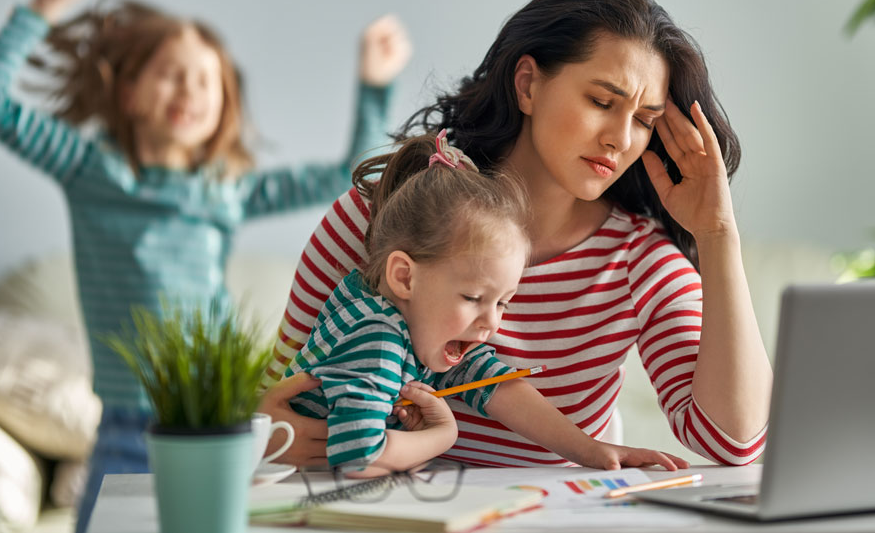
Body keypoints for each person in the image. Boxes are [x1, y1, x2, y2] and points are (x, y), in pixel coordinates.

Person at [258, 0, 772, 469]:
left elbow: (733, 443)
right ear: (527, 85)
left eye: (644, 120)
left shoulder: (639, 261)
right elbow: (270, 395)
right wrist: (269, 436)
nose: (620, 138)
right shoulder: (384, 213)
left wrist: (717, 235)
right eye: (601, 101)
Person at [0, 0, 411, 532]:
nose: (190, 87)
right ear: (131, 93)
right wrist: (44, 8)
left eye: (206, 79)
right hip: (127, 428)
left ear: (222, 108)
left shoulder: (224, 191)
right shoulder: (89, 170)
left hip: (222, 421)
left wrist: (374, 84)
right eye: (172, 72)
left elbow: (352, 172)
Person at [287, 130, 688, 474]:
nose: (491, 324)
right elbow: (358, 457)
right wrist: (442, 435)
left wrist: (591, 450)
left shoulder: (413, 323)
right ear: (404, 277)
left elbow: (497, 385)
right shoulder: (376, 338)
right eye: (474, 298)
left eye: (503, 303)